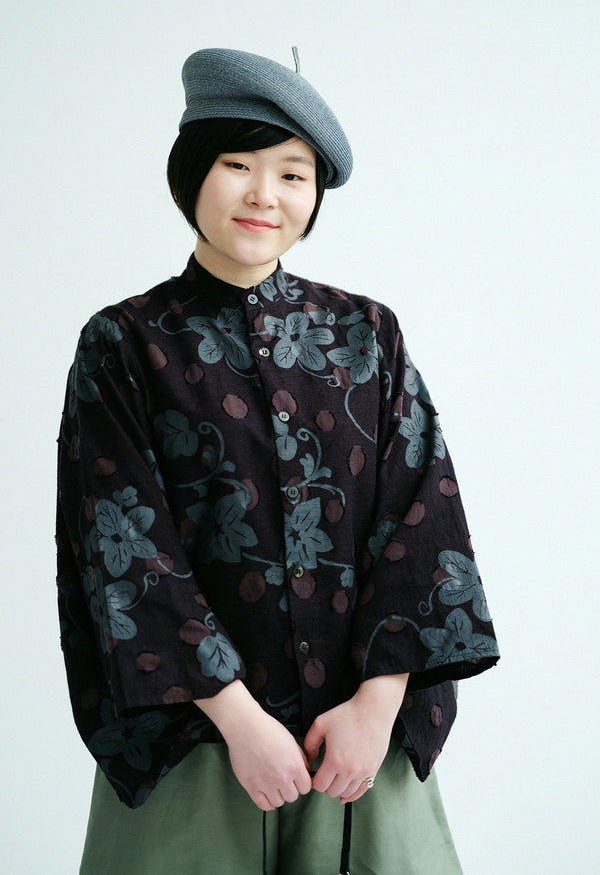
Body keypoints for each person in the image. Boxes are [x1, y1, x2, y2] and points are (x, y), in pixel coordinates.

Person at [56, 47, 499, 874]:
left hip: (356, 745)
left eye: (293, 175)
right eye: (238, 165)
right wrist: (239, 721)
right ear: (191, 172)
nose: (265, 195)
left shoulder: (367, 334)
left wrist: (378, 706)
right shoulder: (125, 343)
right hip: (194, 739)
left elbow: (423, 517)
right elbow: (123, 546)